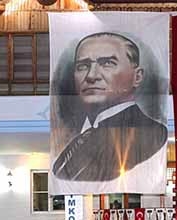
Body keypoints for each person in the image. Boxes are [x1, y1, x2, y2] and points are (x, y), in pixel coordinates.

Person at [52, 32, 167, 182]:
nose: (91, 76)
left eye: (107, 63)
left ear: (137, 77)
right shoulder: (78, 137)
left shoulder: (152, 134)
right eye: (83, 66)